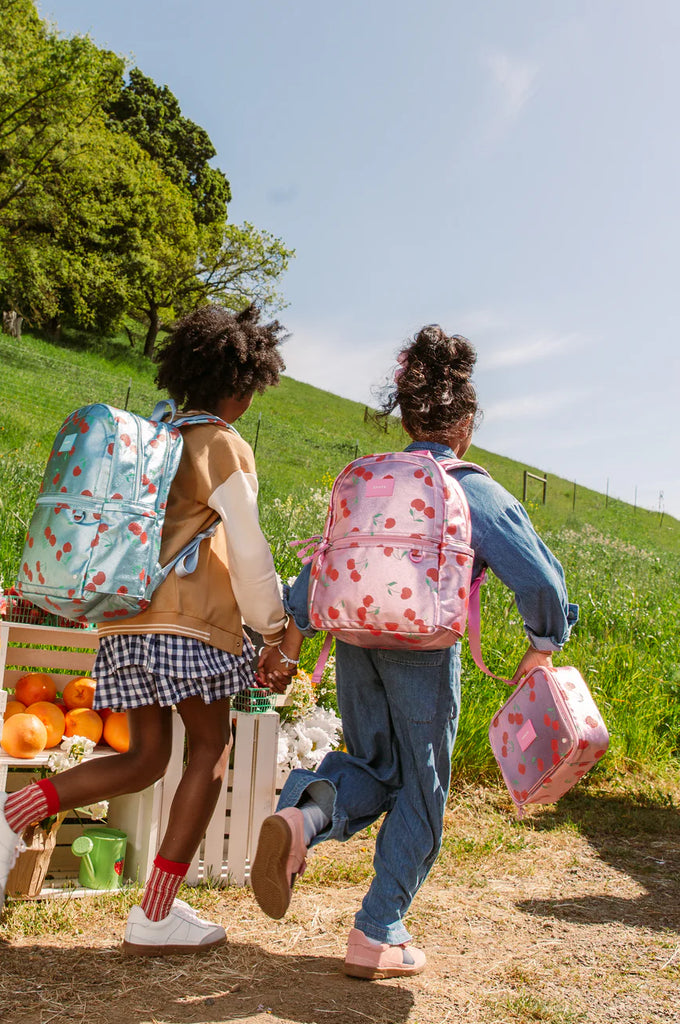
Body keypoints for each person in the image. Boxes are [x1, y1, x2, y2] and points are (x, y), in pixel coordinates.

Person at [0, 304, 290, 954]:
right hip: (191, 628)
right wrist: (274, 625)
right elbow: (248, 550)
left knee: (144, 758)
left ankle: (9, 815)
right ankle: (156, 915)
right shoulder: (221, 443)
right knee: (211, 754)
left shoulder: (157, 438)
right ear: (242, 385)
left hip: (127, 621)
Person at [253, 324, 578, 980]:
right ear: (464, 424)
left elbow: (321, 568)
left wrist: (292, 639)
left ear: (405, 416)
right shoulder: (468, 486)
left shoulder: (372, 482)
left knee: (371, 765)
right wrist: (544, 644)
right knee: (423, 788)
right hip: (422, 650)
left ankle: (301, 818)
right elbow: (539, 577)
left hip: (353, 640)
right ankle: (378, 930)